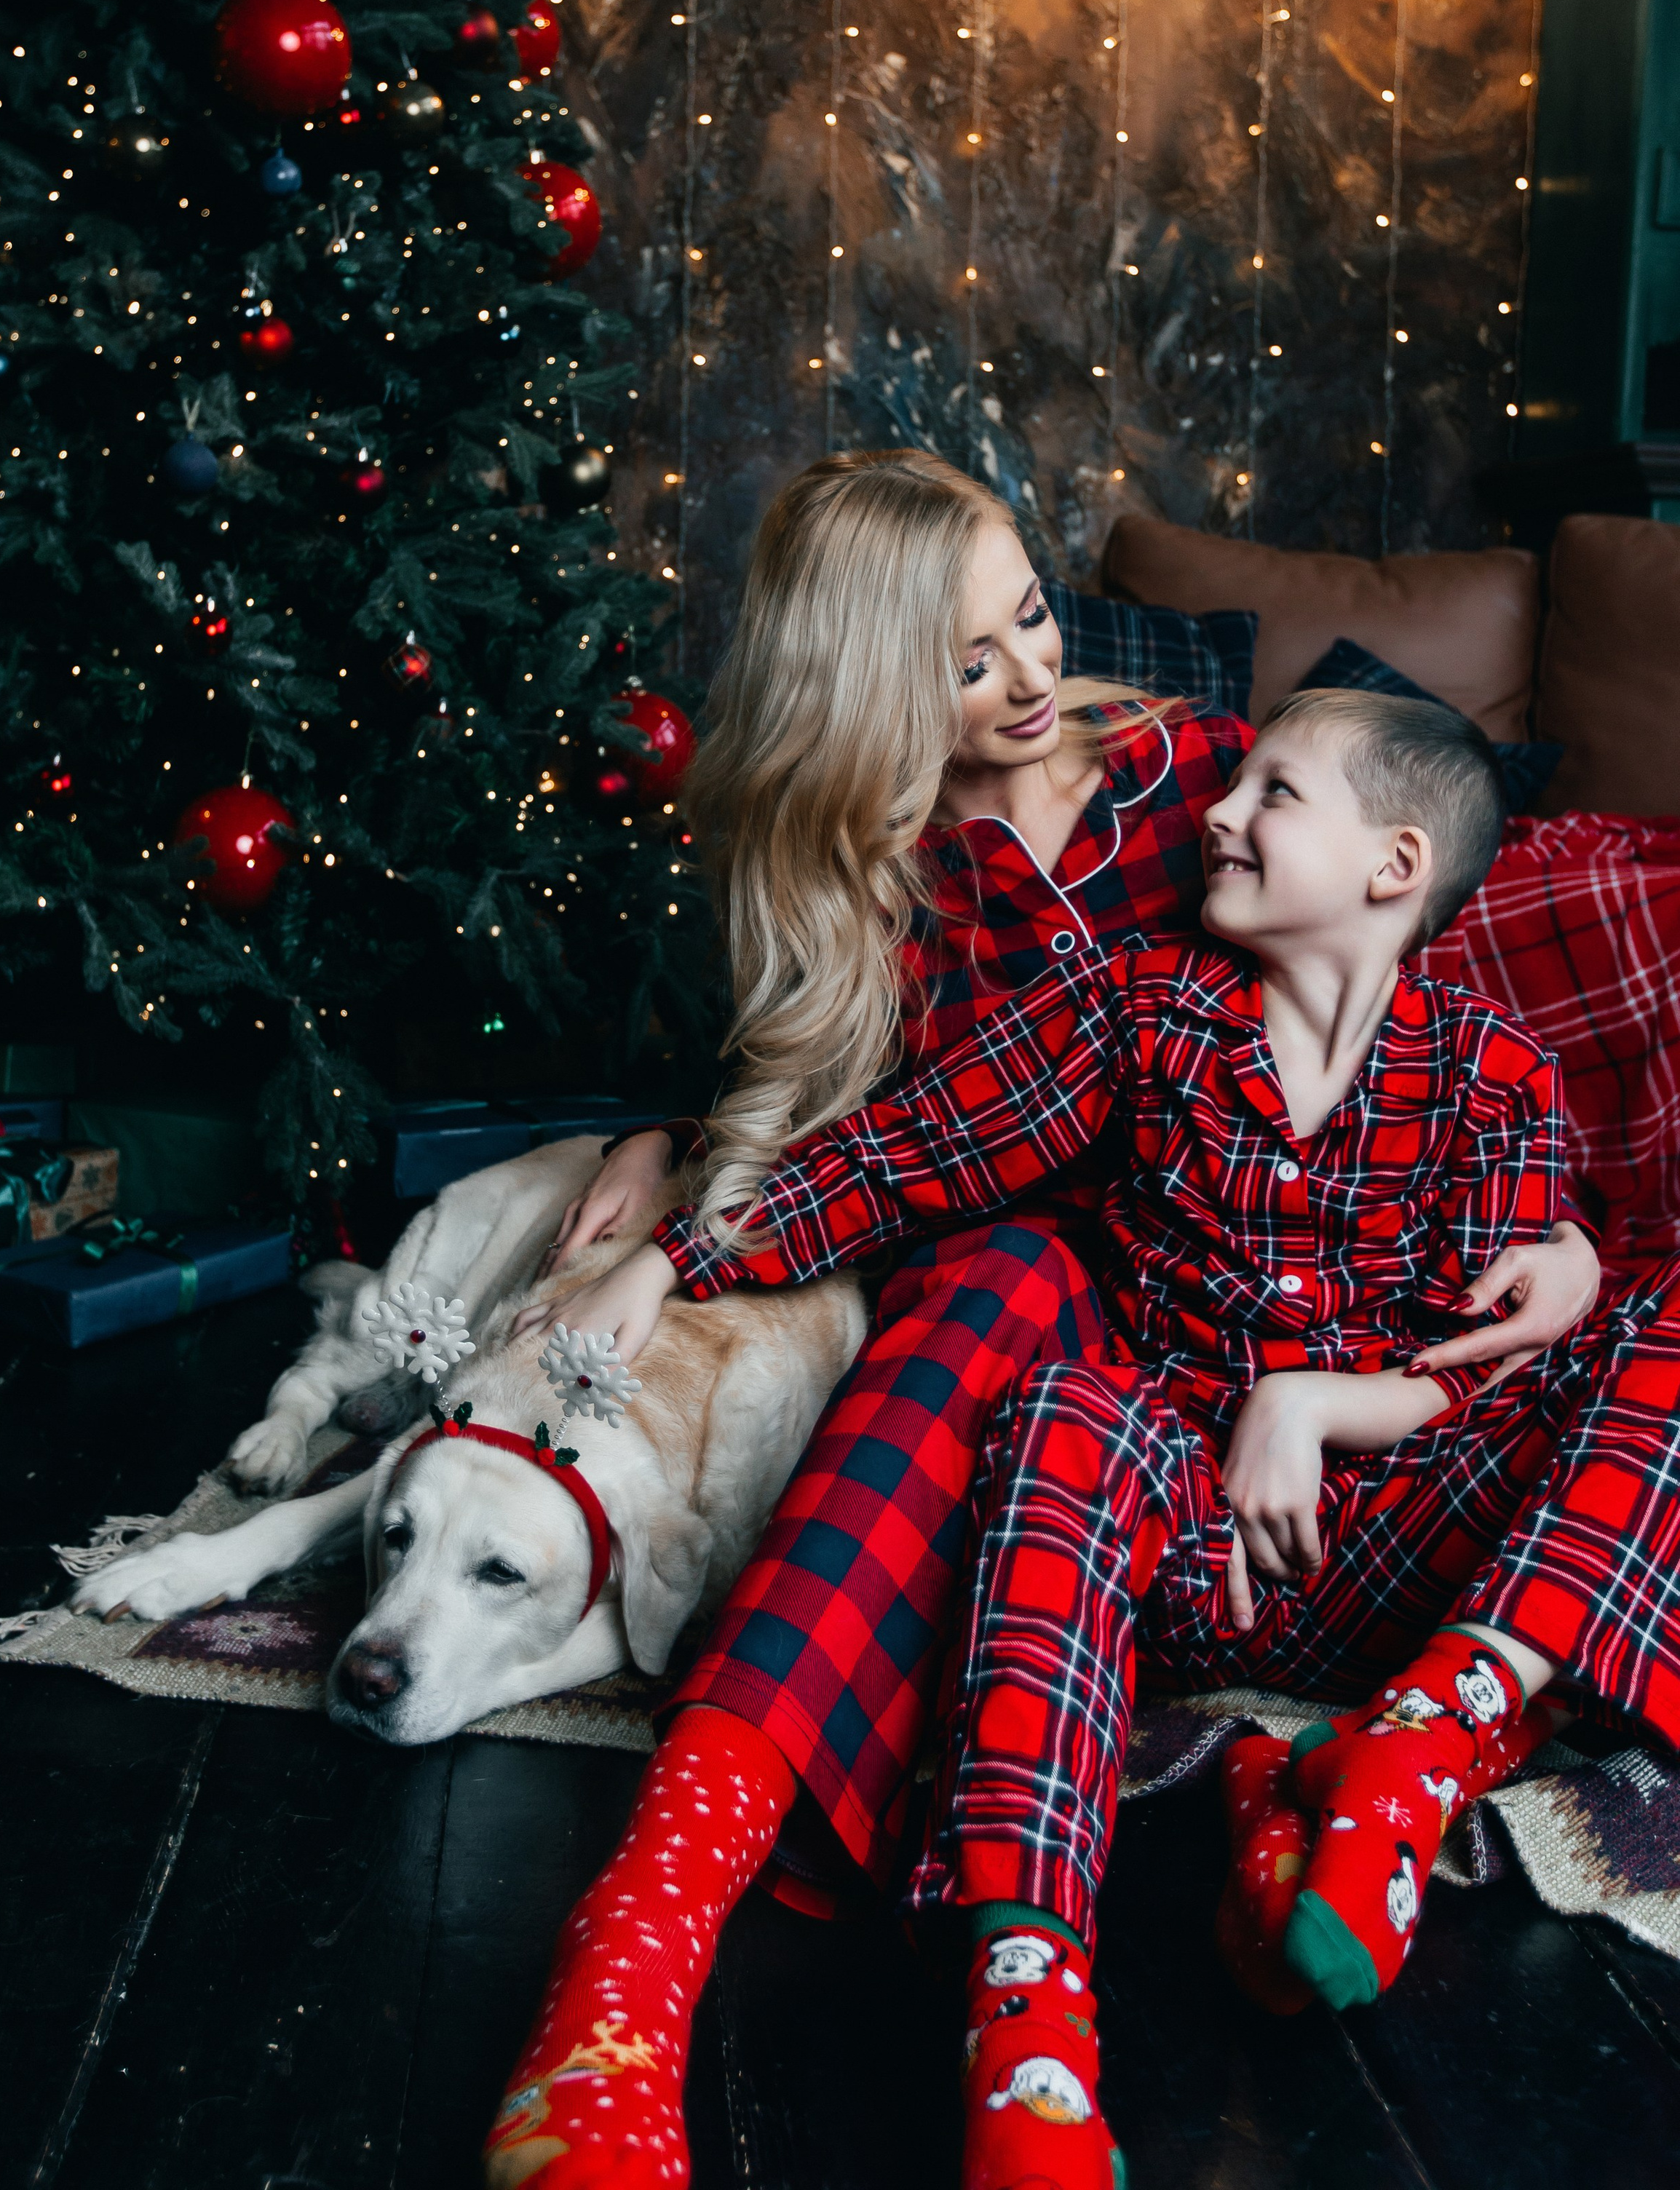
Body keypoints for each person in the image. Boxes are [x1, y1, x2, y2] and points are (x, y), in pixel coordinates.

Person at [486, 689, 1680, 2190]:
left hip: (1397, 1552)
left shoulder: (1489, 1074)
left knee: (1660, 1328)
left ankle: (1412, 1753)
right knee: (1062, 1409)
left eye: (1274, 796)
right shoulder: (1134, 1005)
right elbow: (911, 1151)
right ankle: (1029, 2022)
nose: (1224, 818)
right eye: (1231, 784)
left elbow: (1482, 1358)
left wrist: (1305, 1403)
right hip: (1174, 1545)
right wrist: (673, 1256)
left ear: (1389, 867)